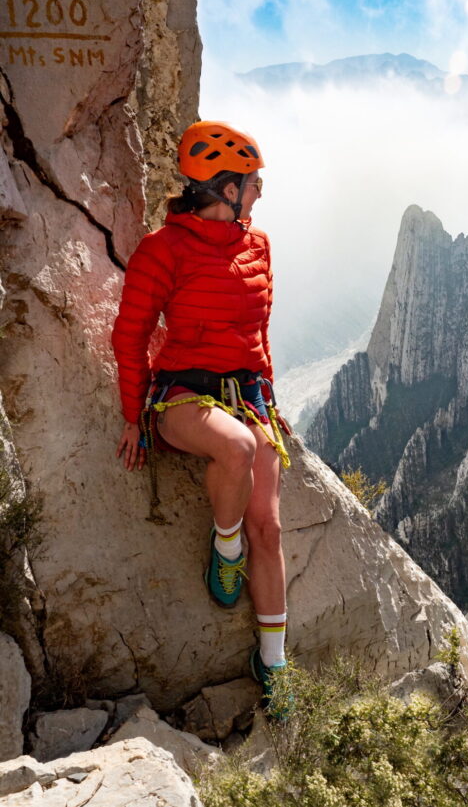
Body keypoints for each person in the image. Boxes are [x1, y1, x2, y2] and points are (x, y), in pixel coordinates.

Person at [111, 121, 290, 716]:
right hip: (182, 398)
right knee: (237, 450)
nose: (260, 191)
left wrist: (272, 401)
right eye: (252, 181)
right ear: (224, 188)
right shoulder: (163, 250)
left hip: (246, 395)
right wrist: (133, 415)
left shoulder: (258, 245)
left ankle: (272, 663)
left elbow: (258, 332)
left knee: (271, 524)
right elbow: (130, 335)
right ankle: (226, 546)